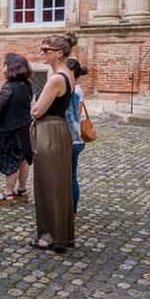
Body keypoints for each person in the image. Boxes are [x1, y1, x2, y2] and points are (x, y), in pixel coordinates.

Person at [30, 32, 78, 253]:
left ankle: (49, 237)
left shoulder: (56, 78)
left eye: (46, 50)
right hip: (60, 130)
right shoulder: (68, 74)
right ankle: (61, 235)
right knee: (59, 185)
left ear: (59, 53)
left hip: (49, 130)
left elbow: (38, 110)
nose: (43, 54)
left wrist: (33, 106)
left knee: (47, 185)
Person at [0, 53, 34, 206]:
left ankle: (8, 193)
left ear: (11, 67)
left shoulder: (8, 87)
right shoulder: (27, 85)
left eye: (5, 65)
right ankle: (22, 190)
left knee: (10, 160)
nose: (3, 68)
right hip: (24, 127)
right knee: (22, 159)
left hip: (8, 129)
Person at [66, 58, 89, 214]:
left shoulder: (66, 88)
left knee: (62, 177)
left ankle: (62, 211)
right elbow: (78, 113)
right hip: (78, 138)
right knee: (72, 176)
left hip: (66, 138)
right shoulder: (80, 90)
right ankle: (72, 212)